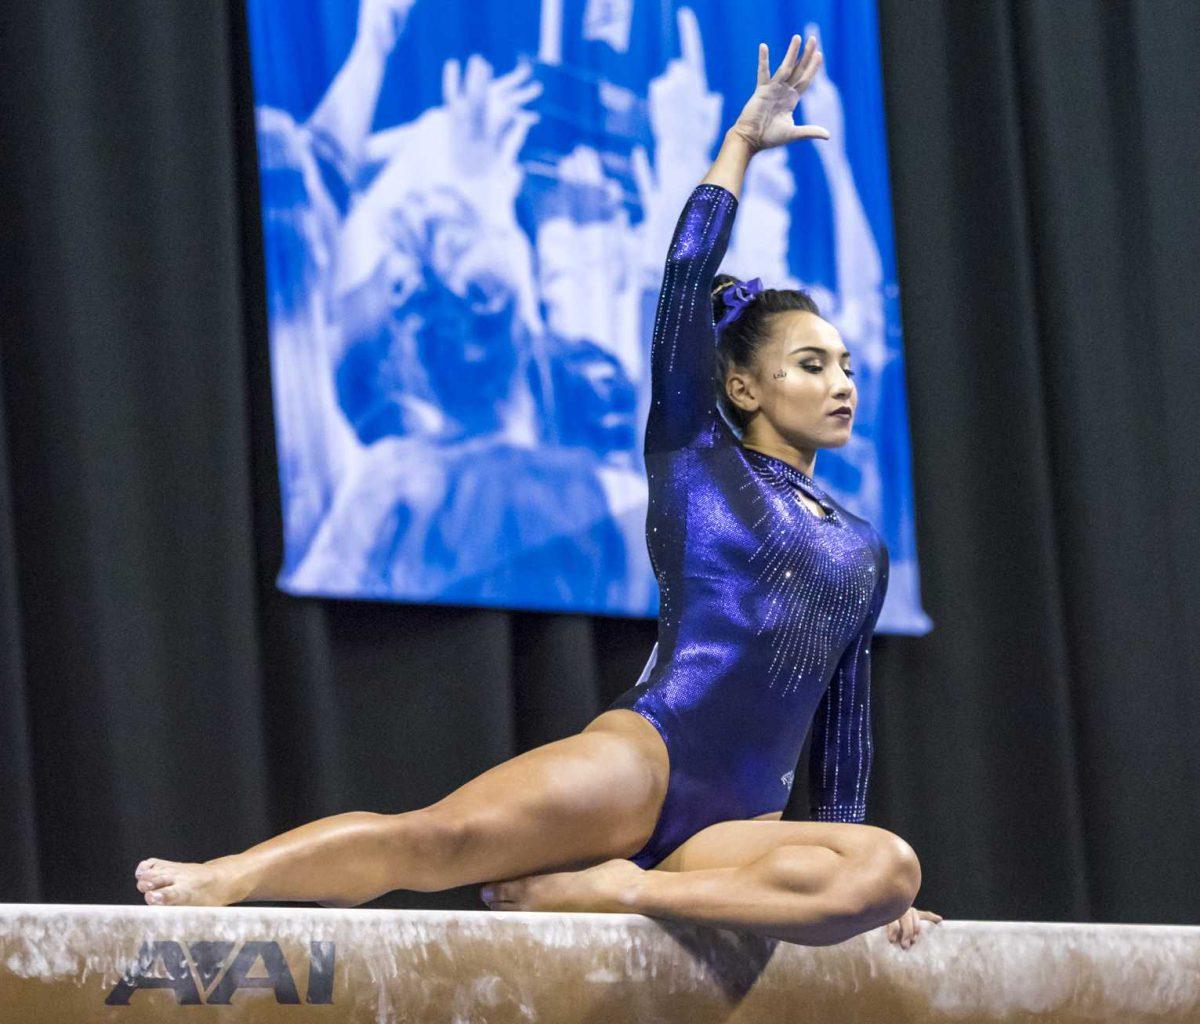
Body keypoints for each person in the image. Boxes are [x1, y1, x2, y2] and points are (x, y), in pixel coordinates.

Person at [134, 32, 939, 950]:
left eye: (845, 363)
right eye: (810, 363)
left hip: (739, 831)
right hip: (646, 762)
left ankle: (619, 892)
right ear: (743, 388)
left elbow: (844, 718)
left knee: (885, 869)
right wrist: (741, 147)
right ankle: (228, 877)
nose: (841, 382)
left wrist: (858, 872)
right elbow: (683, 282)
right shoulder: (696, 458)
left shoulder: (861, 547)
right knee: (438, 840)